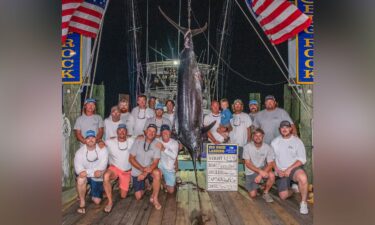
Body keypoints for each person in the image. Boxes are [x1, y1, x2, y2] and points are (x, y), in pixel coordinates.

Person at [271, 120, 309, 214]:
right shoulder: (275, 142)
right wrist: (276, 169)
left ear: (290, 128)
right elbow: (271, 159)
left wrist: (289, 169)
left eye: (287, 127)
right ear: (280, 129)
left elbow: (302, 159)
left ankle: (303, 203)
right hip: (281, 171)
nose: (284, 129)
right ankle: (293, 189)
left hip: (293, 169)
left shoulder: (297, 141)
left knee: (303, 178)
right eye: (282, 127)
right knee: (283, 196)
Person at [129, 124, 163, 210]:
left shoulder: (157, 144)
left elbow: (155, 162)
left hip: (149, 169)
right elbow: (131, 159)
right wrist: (142, 169)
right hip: (138, 170)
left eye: (154, 131)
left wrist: (144, 173)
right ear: (145, 132)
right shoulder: (138, 141)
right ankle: (147, 184)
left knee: (158, 173)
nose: (151, 133)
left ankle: (155, 198)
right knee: (138, 196)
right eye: (149, 130)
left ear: (156, 134)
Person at [74, 130, 109, 214]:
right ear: (85, 140)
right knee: (80, 179)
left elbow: (103, 166)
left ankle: (90, 190)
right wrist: (93, 172)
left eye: (92, 137)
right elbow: (79, 171)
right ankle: (82, 202)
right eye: (88, 138)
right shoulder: (79, 153)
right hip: (90, 175)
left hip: (97, 176)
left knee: (97, 201)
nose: (90, 139)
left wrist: (90, 172)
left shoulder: (103, 149)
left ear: (96, 139)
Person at [102, 124, 134, 213]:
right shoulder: (109, 141)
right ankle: (110, 202)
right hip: (115, 168)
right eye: (120, 130)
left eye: (124, 130)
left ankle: (118, 183)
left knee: (123, 195)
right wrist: (100, 142)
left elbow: (142, 138)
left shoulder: (132, 140)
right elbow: (99, 143)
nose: (122, 132)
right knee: (106, 176)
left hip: (126, 171)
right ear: (117, 132)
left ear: (127, 132)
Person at [243, 128, 275, 203]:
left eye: (260, 135)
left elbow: (271, 164)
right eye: (255, 135)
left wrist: (260, 175)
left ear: (263, 136)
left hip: (262, 168)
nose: (258, 137)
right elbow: (247, 163)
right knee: (253, 195)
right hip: (251, 170)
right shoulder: (247, 147)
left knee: (272, 175)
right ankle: (259, 184)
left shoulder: (268, 147)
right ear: (252, 136)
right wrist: (260, 172)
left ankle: (265, 192)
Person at [158, 124, 179, 193]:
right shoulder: (157, 140)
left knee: (171, 191)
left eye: (167, 131)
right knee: (155, 173)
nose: (165, 133)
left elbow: (174, 156)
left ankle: (163, 182)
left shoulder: (175, 143)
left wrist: (163, 149)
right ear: (161, 133)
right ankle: (159, 180)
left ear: (170, 133)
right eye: (163, 132)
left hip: (169, 168)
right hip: (160, 166)